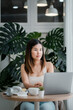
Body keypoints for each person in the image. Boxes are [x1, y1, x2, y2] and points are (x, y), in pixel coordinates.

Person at [20, 39, 55, 110]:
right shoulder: (24, 66)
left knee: (46, 108)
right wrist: (34, 86)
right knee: (27, 107)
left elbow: (51, 84)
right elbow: (26, 84)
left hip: (46, 100)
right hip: (30, 100)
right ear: (29, 51)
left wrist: (42, 86)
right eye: (35, 50)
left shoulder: (49, 65)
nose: (39, 53)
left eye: (40, 50)